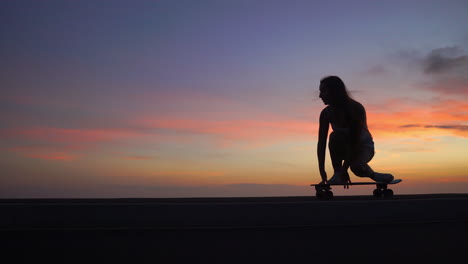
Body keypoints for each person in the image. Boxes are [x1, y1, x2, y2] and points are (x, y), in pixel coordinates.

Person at [317, 75, 393, 186]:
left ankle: (374, 175)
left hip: (362, 147)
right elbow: (321, 143)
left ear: (334, 92)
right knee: (334, 136)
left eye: (323, 91)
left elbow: (355, 141)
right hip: (344, 147)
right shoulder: (325, 114)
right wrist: (322, 171)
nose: (320, 96)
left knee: (356, 168)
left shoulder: (355, 108)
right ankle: (336, 173)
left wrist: (345, 169)